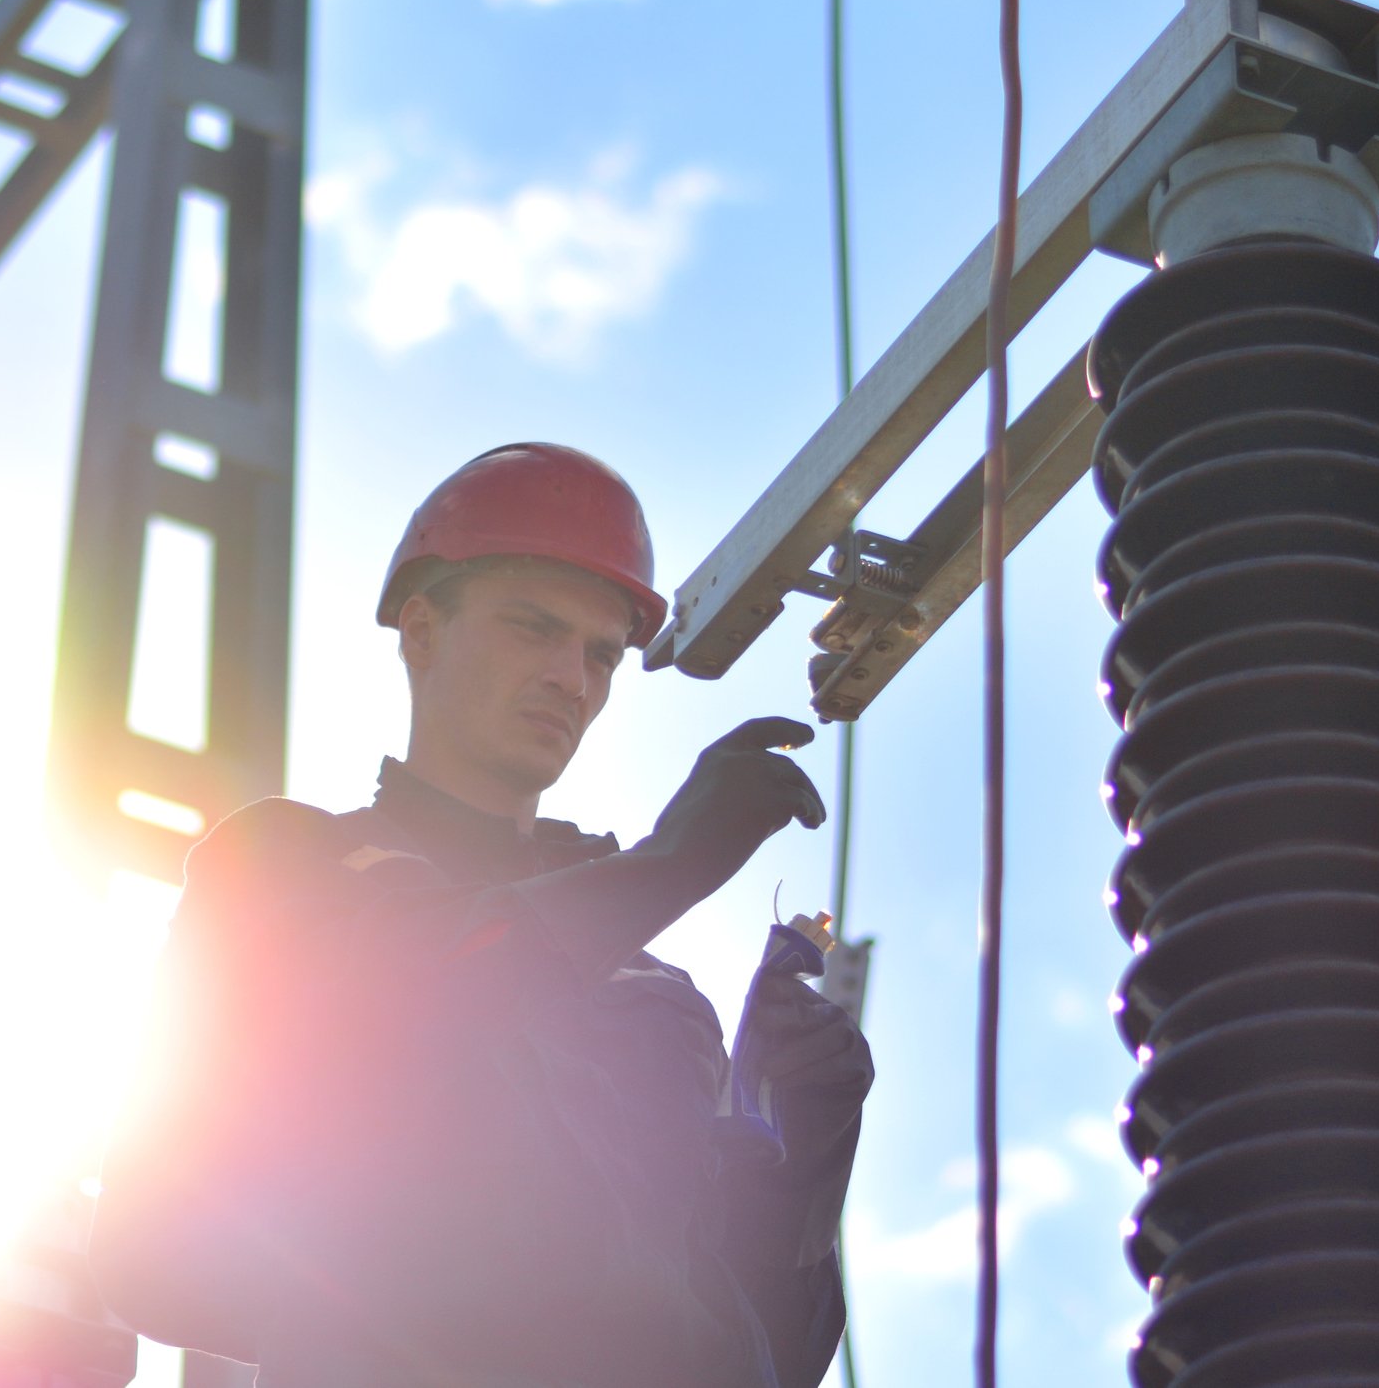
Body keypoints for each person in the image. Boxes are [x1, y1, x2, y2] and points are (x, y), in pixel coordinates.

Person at [89, 443, 873, 1387]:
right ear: (421, 631)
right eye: (532, 628)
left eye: (600, 654)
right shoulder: (290, 867)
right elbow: (156, 1245)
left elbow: (757, 1351)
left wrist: (802, 1152)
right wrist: (668, 867)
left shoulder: (655, 996)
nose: (570, 678)